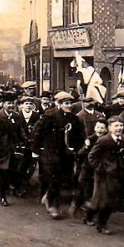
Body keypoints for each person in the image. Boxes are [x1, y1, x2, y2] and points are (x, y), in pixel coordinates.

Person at [32, 91, 83, 219]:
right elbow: (38, 132)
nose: (69, 105)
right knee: (54, 177)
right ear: (58, 104)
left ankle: (48, 197)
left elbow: (79, 136)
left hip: (67, 154)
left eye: (70, 103)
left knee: (63, 178)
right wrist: (36, 149)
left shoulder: (74, 119)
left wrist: (77, 148)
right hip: (51, 152)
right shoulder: (50, 116)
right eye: (66, 103)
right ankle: (53, 205)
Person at [85, 116, 124, 235]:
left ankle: (92, 216)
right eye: (116, 126)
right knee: (104, 200)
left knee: (109, 200)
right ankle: (101, 224)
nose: (119, 128)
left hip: (117, 175)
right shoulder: (104, 140)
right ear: (109, 128)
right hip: (104, 175)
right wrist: (102, 168)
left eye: (121, 125)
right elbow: (92, 157)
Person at [0, 92, 27, 206]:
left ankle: (13, 189)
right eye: (8, 103)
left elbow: (21, 132)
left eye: (12, 103)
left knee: (14, 171)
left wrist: (25, 142)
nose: (10, 106)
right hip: (1, 151)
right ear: (2, 104)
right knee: (2, 174)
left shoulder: (17, 116)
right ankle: (3, 197)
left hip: (14, 150)